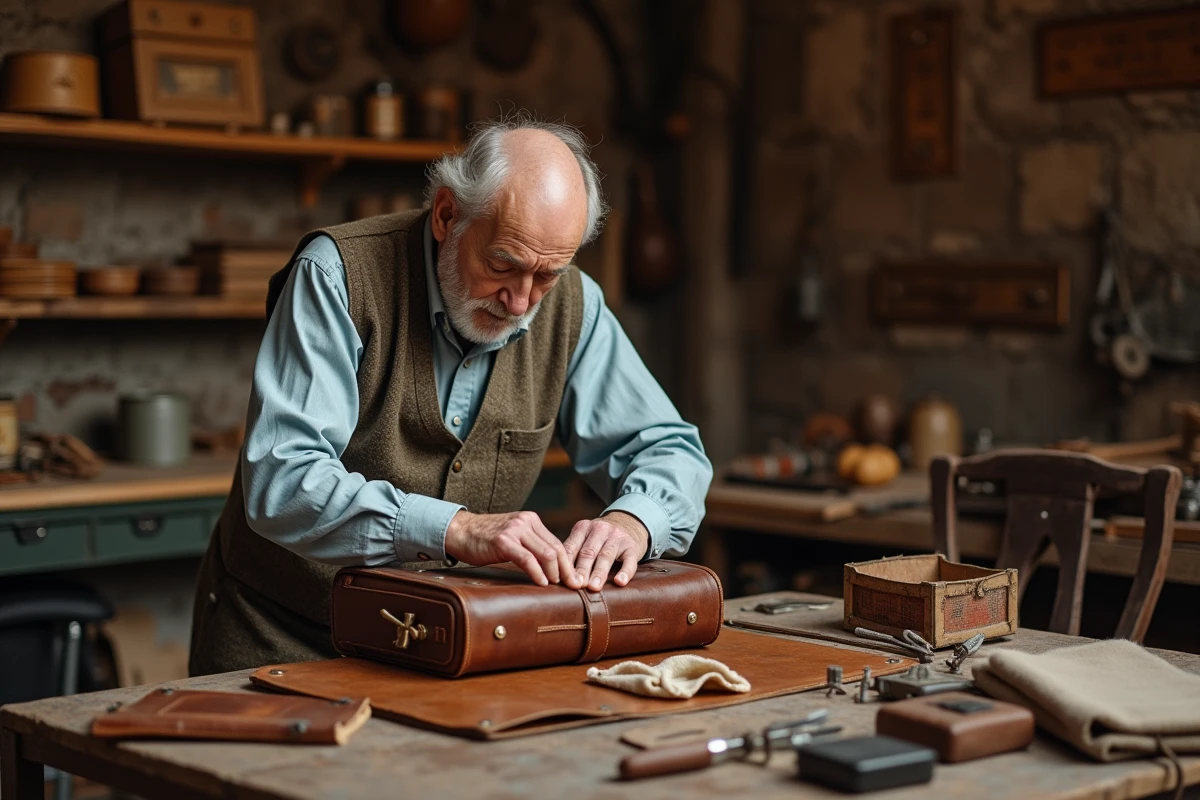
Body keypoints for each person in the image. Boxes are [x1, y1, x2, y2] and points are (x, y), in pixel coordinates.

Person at [188, 115, 713, 675]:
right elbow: (282, 479)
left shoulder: (574, 308)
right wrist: (458, 529)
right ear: (446, 216)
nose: (520, 302)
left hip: (445, 647)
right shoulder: (336, 276)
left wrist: (633, 522)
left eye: (547, 276)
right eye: (502, 265)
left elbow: (671, 452)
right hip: (284, 637)